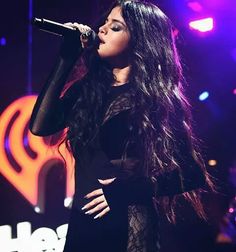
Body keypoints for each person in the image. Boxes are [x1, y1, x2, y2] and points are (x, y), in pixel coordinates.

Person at [29, 0, 213, 251]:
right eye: (104, 23)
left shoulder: (156, 98)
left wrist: (130, 189)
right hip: (83, 223)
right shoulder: (89, 89)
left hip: (128, 222)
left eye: (115, 27)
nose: (102, 30)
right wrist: (67, 57)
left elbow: (193, 173)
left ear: (140, 40)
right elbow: (40, 125)